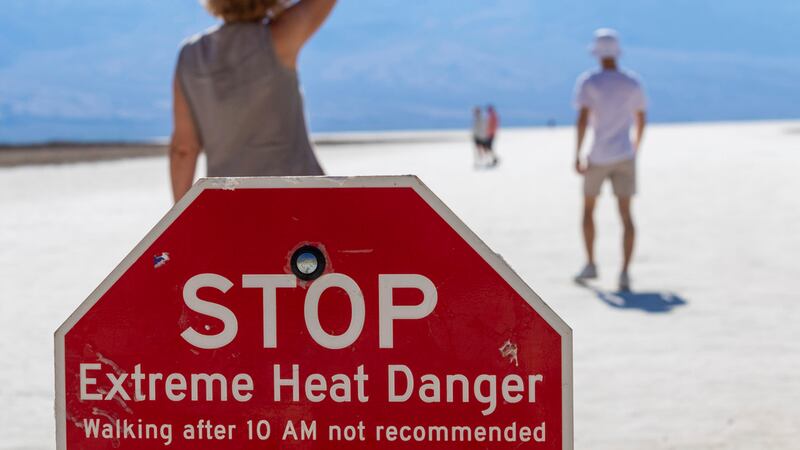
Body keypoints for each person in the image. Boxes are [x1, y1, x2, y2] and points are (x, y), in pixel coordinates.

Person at [169, 0, 337, 202]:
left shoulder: (191, 55)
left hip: (231, 202)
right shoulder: (279, 36)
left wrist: (181, 218)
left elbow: (183, 148)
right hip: (300, 197)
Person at [572, 28, 647, 291]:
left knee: (589, 209)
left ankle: (591, 262)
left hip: (598, 155)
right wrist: (637, 144)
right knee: (626, 214)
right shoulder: (632, 82)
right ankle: (625, 271)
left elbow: (582, 119)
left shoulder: (589, 82)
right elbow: (641, 116)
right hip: (625, 154)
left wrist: (577, 154)